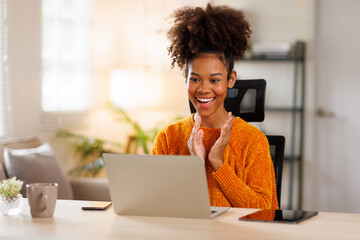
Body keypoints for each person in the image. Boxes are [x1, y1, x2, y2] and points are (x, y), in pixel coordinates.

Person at [152, 3, 278, 209]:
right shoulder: (168, 138)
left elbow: (265, 214)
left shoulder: (253, 141)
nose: (203, 89)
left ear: (230, 79)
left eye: (214, 80)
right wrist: (195, 167)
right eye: (195, 79)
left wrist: (218, 163)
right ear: (185, 79)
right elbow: (157, 207)